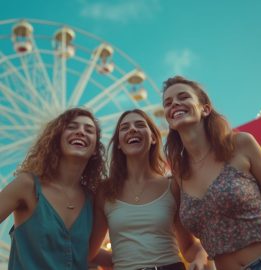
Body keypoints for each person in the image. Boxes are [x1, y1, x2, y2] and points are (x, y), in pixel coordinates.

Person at [162, 75, 261, 270]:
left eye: (183, 97)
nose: (175, 103)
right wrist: (199, 259)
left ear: (205, 109)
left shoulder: (240, 145)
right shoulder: (178, 176)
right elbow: (187, 247)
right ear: (168, 120)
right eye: (168, 103)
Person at [88, 109, 211, 270]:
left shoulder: (172, 186)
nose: (132, 129)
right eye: (125, 127)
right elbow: (90, 251)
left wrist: (201, 257)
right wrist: (119, 261)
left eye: (140, 125)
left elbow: (188, 247)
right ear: (118, 143)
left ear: (153, 138)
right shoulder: (105, 191)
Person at [0, 108, 108, 270]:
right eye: (72, 127)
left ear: (95, 150)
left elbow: (85, 253)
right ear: (57, 139)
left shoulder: (92, 200)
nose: (80, 132)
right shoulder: (27, 186)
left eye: (89, 130)